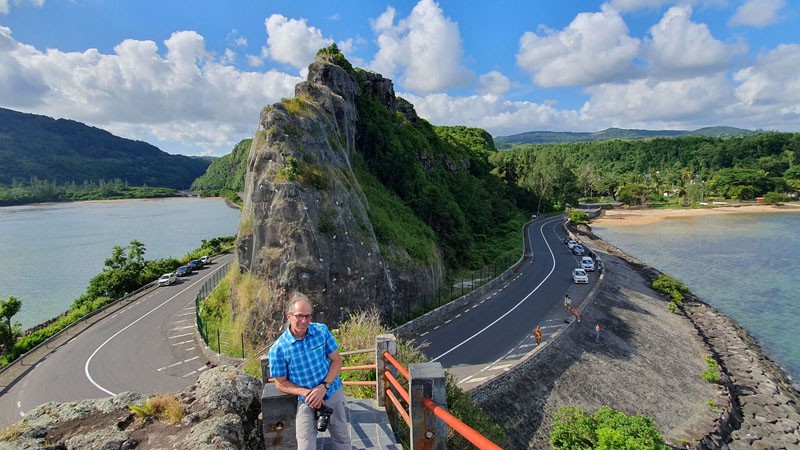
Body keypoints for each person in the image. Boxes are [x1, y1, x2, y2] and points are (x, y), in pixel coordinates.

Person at [268, 293, 351, 450]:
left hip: (331, 391)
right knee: (305, 445)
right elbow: (281, 383)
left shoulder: (321, 331)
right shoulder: (278, 349)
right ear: (289, 317)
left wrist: (323, 387)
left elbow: (337, 361)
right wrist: (307, 393)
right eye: (299, 316)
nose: (304, 321)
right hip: (306, 401)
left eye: (307, 316)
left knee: (342, 439)